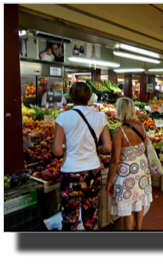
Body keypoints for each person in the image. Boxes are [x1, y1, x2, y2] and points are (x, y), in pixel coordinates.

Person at [52, 82, 112, 230]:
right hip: (93, 173)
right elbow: (107, 147)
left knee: (70, 220)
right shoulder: (100, 116)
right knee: (91, 219)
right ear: (89, 97)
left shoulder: (63, 117)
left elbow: (57, 151)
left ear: (71, 96)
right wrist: (92, 150)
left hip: (71, 174)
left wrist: (71, 148)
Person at [106, 98, 153, 230]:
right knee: (139, 200)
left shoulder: (118, 131)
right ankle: (138, 229)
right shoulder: (141, 126)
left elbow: (115, 160)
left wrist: (109, 180)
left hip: (127, 172)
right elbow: (144, 147)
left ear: (121, 110)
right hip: (142, 168)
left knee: (128, 206)